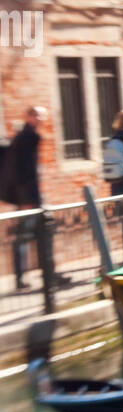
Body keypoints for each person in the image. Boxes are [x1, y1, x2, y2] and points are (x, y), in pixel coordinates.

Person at [2, 106, 46, 288]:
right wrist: (27, 199)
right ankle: (22, 278)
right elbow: (23, 172)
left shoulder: (27, 137)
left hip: (30, 195)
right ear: (29, 117)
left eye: (42, 116)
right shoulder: (26, 138)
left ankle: (48, 274)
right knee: (25, 234)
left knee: (43, 232)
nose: (41, 118)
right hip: (28, 196)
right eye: (37, 115)